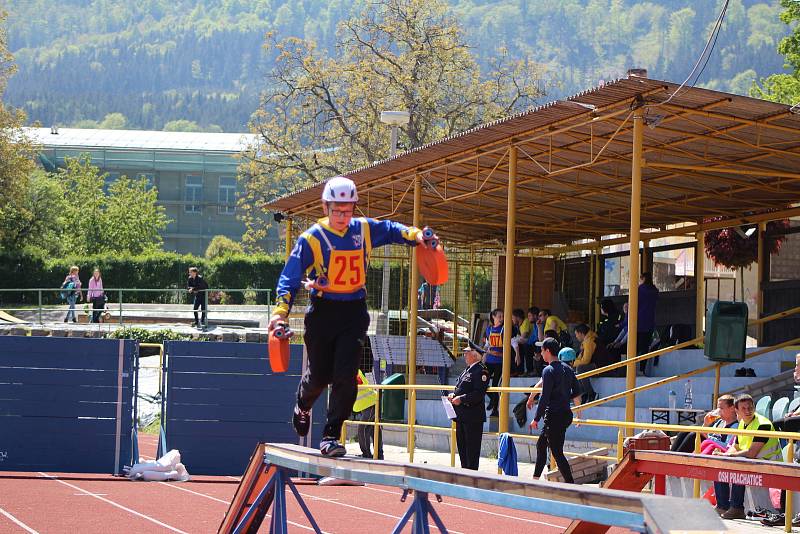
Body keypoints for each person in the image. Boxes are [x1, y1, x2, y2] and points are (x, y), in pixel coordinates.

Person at [269, 176, 425, 457]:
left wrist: (417, 235)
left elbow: (391, 230)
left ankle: (330, 435)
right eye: (337, 210)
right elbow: (289, 278)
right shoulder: (312, 238)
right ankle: (302, 404)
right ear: (325, 206)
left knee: (346, 376)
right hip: (323, 312)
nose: (342, 216)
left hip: (354, 311)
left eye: (348, 209)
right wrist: (280, 314)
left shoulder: (363, 229)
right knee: (319, 376)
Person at [714, 394, 781, 520]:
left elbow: (751, 453)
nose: (748, 411)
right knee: (720, 462)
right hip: (755, 460)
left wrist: (730, 455)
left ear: (754, 408)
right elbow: (737, 446)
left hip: (770, 462)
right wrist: (724, 455)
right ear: (737, 410)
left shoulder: (763, 424)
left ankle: (737, 508)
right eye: (743, 408)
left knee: (739, 463)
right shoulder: (742, 423)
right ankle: (722, 505)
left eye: (750, 407)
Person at [529, 337, 582, 483]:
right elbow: (577, 393)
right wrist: (578, 413)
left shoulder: (548, 370)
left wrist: (536, 418)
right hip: (565, 414)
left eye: (542, 350)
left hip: (554, 415)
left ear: (547, 351)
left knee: (557, 452)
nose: (541, 354)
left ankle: (571, 485)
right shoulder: (568, 369)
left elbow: (544, 397)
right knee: (542, 445)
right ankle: (534, 479)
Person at [449, 343, 490, 470]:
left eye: (467, 352)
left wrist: (461, 399)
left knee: (471, 452)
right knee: (462, 450)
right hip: (461, 416)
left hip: (472, 417)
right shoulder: (468, 369)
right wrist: (453, 395)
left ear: (475, 354)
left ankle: (471, 480)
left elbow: (478, 393)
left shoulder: (481, 370)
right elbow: (461, 387)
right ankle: (464, 477)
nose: (465, 355)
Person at [670, 394, 737, 454]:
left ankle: (676, 458)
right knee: (687, 430)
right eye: (718, 408)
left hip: (717, 450)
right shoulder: (719, 422)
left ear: (732, 409)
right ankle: (671, 456)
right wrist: (705, 424)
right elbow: (708, 434)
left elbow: (727, 446)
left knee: (695, 435)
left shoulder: (735, 426)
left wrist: (706, 436)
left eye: (721, 408)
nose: (718, 411)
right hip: (708, 446)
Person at [483, 308, 518, 416]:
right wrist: (484, 356)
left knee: (496, 385)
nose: (502, 318)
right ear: (493, 317)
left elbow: (513, 342)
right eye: (500, 316)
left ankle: (495, 409)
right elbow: (487, 345)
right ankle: (493, 400)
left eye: (503, 316)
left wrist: (517, 354)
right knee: (482, 381)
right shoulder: (489, 329)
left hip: (500, 362)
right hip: (489, 361)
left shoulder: (504, 329)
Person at [353, 369, 383, 459]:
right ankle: (379, 455)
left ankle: (366, 454)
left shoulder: (351, 370)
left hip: (370, 404)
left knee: (363, 429)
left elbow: (359, 383)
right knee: (374, 429)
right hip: (370, 403)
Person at [637, 272, 659, 375]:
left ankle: (633, 369)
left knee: (636, 346)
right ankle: (642, 369)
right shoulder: (654, 290)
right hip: (650, 322)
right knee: (645, 347)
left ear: (643, 278)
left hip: (638, 322)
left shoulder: (639, 290)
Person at [573, 324, 601, 403]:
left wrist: (574, 363)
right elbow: (579, 359)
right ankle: (584, 393)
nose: (576, 336)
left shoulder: (589, 341)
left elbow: (585, 361)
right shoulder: (585, 342)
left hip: (600, 366)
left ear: (581, 333)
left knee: (580, 368)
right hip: (594, 365)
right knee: (574, 370)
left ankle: (591, 393)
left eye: (576, 334)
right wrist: (574, 364)